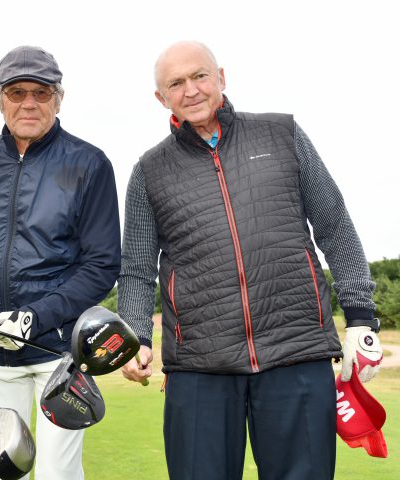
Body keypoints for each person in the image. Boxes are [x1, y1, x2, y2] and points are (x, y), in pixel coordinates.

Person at [117, 41, 383, 480]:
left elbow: (334, 224)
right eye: (175, 83)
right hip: (199, 366)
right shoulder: (149, 170)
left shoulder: (283, 134)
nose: (191, 90)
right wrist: (136, 337)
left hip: (296, 351)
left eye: (200, 76)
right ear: (160, 98)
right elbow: (137, 270)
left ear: (221, 77)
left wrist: (360, 317)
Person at [0, 45, 120, 480]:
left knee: (58, 474)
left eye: (41, 93)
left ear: (59, 99)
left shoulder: (89, 163)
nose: (28, 103)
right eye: (16, 92)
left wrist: (33, 316)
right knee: (1, 472)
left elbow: (101, 265)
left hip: (57, 352)